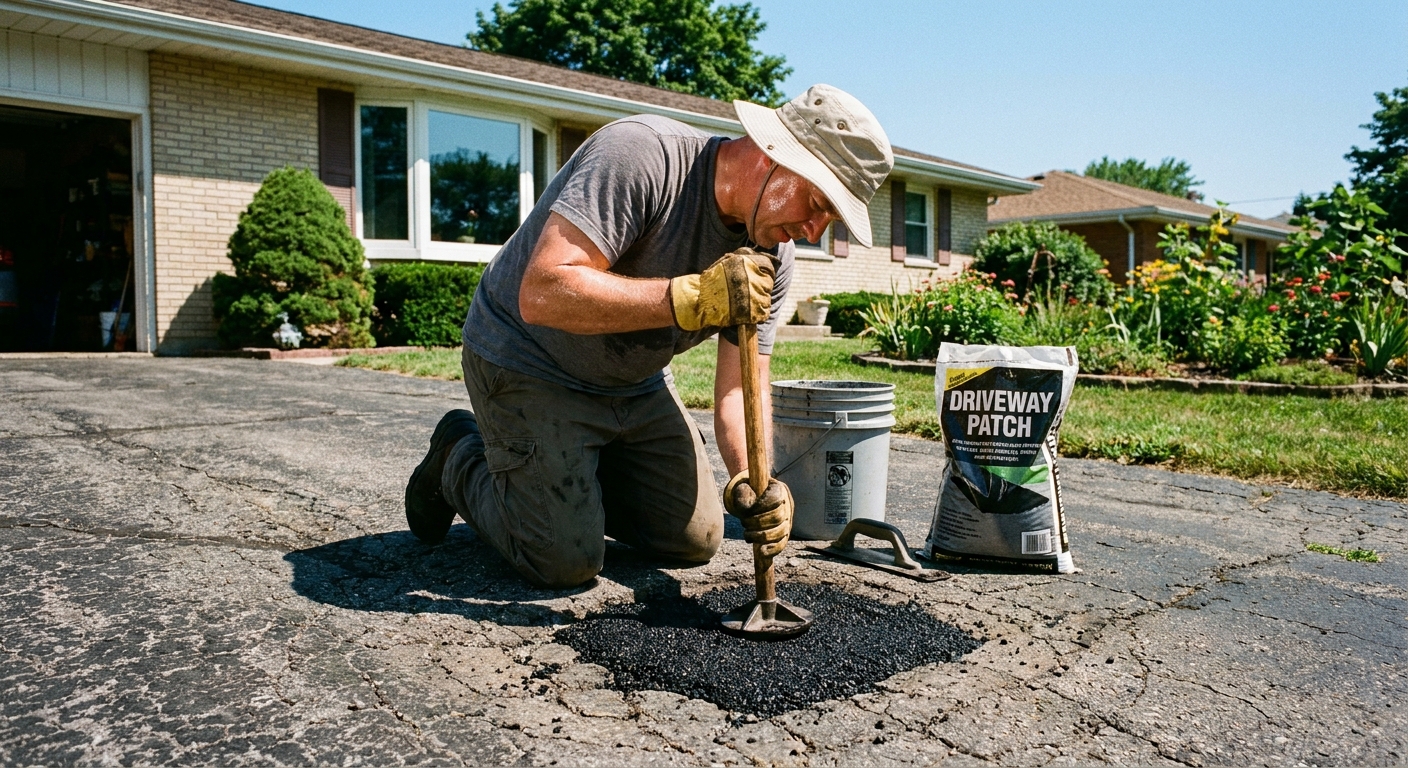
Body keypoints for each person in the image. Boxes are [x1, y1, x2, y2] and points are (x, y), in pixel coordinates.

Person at [404, 84, 893, 588]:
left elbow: (740, 386)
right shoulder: (640, 155)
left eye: (829, 220)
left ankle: (572, 478)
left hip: (635, 382)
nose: (814, 231)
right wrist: (689, 298)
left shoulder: (772, 257)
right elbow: (543, 291)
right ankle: (457, 455)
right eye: (816, 203)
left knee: (695, 540)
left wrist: (751, 475)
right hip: (529, 359)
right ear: (776, 154)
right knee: (563, 560)